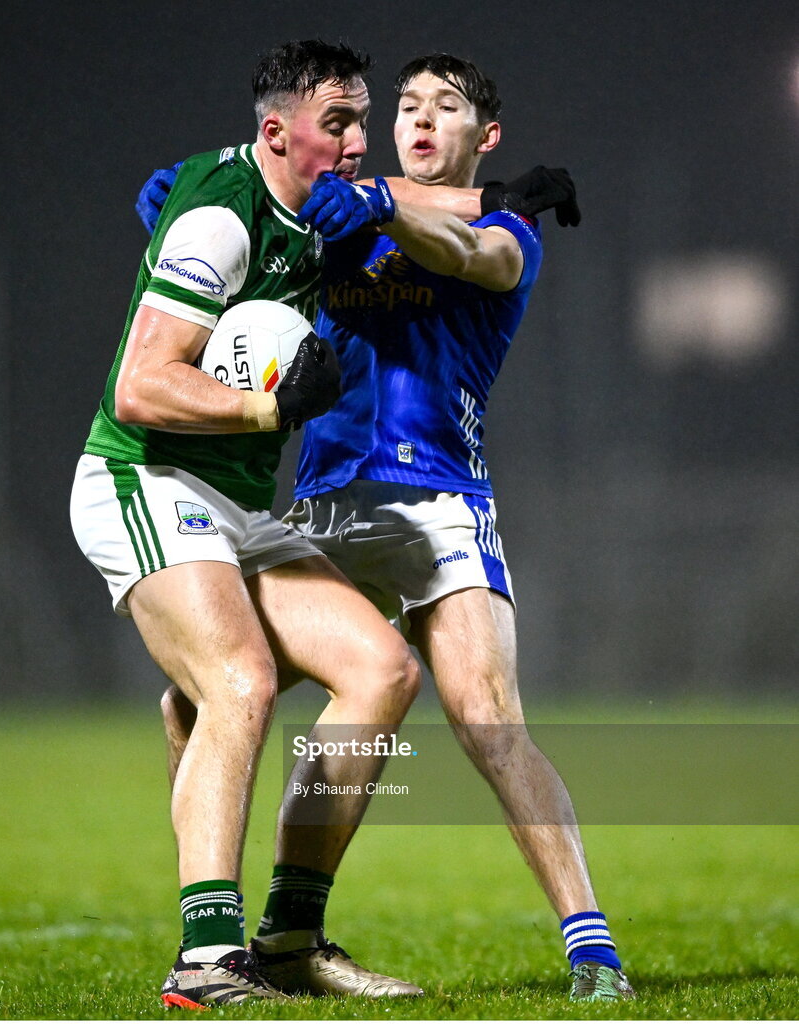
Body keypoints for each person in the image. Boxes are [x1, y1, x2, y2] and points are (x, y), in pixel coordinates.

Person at [143, 52, 635, 1003]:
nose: (418, 119)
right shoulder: (340, 217)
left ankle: (593, 950)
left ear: (482, 138)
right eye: (406, 105)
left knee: (489, 720)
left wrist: (391, 211)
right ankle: (257, 935)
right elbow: (261, 222)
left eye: (444, 107)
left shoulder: (507, 233)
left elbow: (465, 255)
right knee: (197, 698)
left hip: (441, 505)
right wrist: (189, 213)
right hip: (325, 506)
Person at [70, 39, 426, 1009]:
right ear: (276, 130)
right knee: (243, 678)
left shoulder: (316, 209)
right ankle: (203, 959)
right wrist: (267, 409)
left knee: (381, 670)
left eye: (362, 119)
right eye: (337, 124)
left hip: (233, 505)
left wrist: (497, 194)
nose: (357, 141)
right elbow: (141, 383)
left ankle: (288, 938)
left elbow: (420, 204)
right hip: (142, 478)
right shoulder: (223, 216)